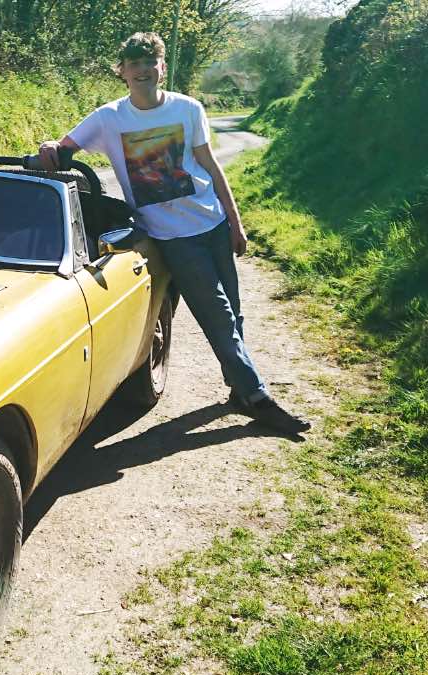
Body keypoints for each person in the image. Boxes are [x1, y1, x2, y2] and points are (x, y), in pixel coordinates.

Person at [38, 31, 310, 435]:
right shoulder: (109, 118)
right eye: (134, 63)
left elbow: (211, 166)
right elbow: (62, 148)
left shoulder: (187, 108)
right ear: (122, 71)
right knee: (218, 316)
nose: (142, 70)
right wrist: (49, 146)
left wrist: (235, 222)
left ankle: (238, 389)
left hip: (213, 224)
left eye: (150, 62)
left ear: (161, 67)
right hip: (173, 239)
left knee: (233, 312)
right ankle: (258, 399)